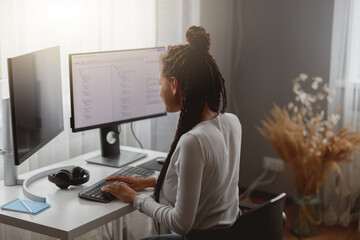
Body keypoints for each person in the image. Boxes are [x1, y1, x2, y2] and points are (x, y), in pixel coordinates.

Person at [101, 26, 242, 239]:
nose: (159, 91)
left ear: (174, 84)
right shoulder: (232, 122)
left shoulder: (193, 141)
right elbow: (208, 184)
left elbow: (180, 223)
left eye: (160, 83)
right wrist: (151, 181)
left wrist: (134, 198)